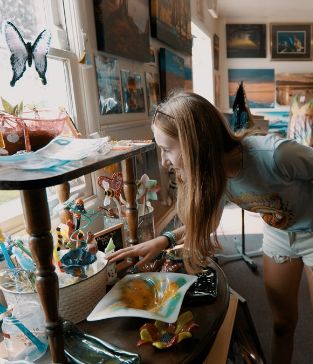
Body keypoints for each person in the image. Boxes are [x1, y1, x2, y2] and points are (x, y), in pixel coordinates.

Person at [108, 91, 313, 364]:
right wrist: (164, 240)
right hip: (278, 234)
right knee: (282, 324)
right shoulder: (215, 174)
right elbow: (206, 223)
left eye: (167, 149)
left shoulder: (275, 155)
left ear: (195, 144)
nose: (164, 161)